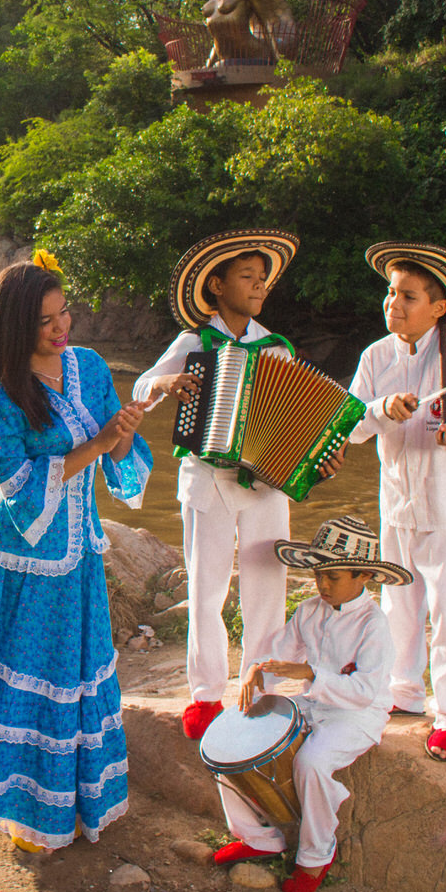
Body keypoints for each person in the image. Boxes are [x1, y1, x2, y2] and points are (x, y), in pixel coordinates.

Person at [0, 254, 154, 853]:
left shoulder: (90, 367)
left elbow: (116, 452)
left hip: (78, 558)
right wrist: (97, 443)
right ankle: (25, 815)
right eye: (45, 321)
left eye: (64, 312)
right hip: (22, 564)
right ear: (13, 326)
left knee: (76, 676)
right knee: (27, 681)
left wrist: (121, 439)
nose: (61, 328)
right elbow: (19, 486)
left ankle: (76, 806)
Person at [132, 229, 300, 742]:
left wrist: (314, 454)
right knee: (207, 590)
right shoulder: (193, 342)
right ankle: (206, 696)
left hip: (265, 485)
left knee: (267, 589)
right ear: (217, 285)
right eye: (247, 277)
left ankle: (261, 689)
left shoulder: (276, 348)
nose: (258, 286)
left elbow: (295, 421)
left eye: (263, 279)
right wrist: (164, 385)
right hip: (206, 479)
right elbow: (142, 388)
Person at [211, 515, 411, 892]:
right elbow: (280, 654)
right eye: (319, 573)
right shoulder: (309, 610)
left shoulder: (374, 625)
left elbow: (365, 691)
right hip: (313, 705)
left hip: (358, 715)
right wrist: (258, 670)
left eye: (333, 577)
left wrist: (309, 672)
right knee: (229, 742)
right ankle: (257, 837)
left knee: (312, 762)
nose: (321, 584)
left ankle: (317, 855)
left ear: (364, 576)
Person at [346, 242, 446, 762]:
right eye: (390, 293)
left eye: (408, 296)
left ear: (438, 307)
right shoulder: (376, 356)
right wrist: (382, 408)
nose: (394, 304)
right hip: (398, 504)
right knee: (398, 605)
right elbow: (352, 426)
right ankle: (403, 691)